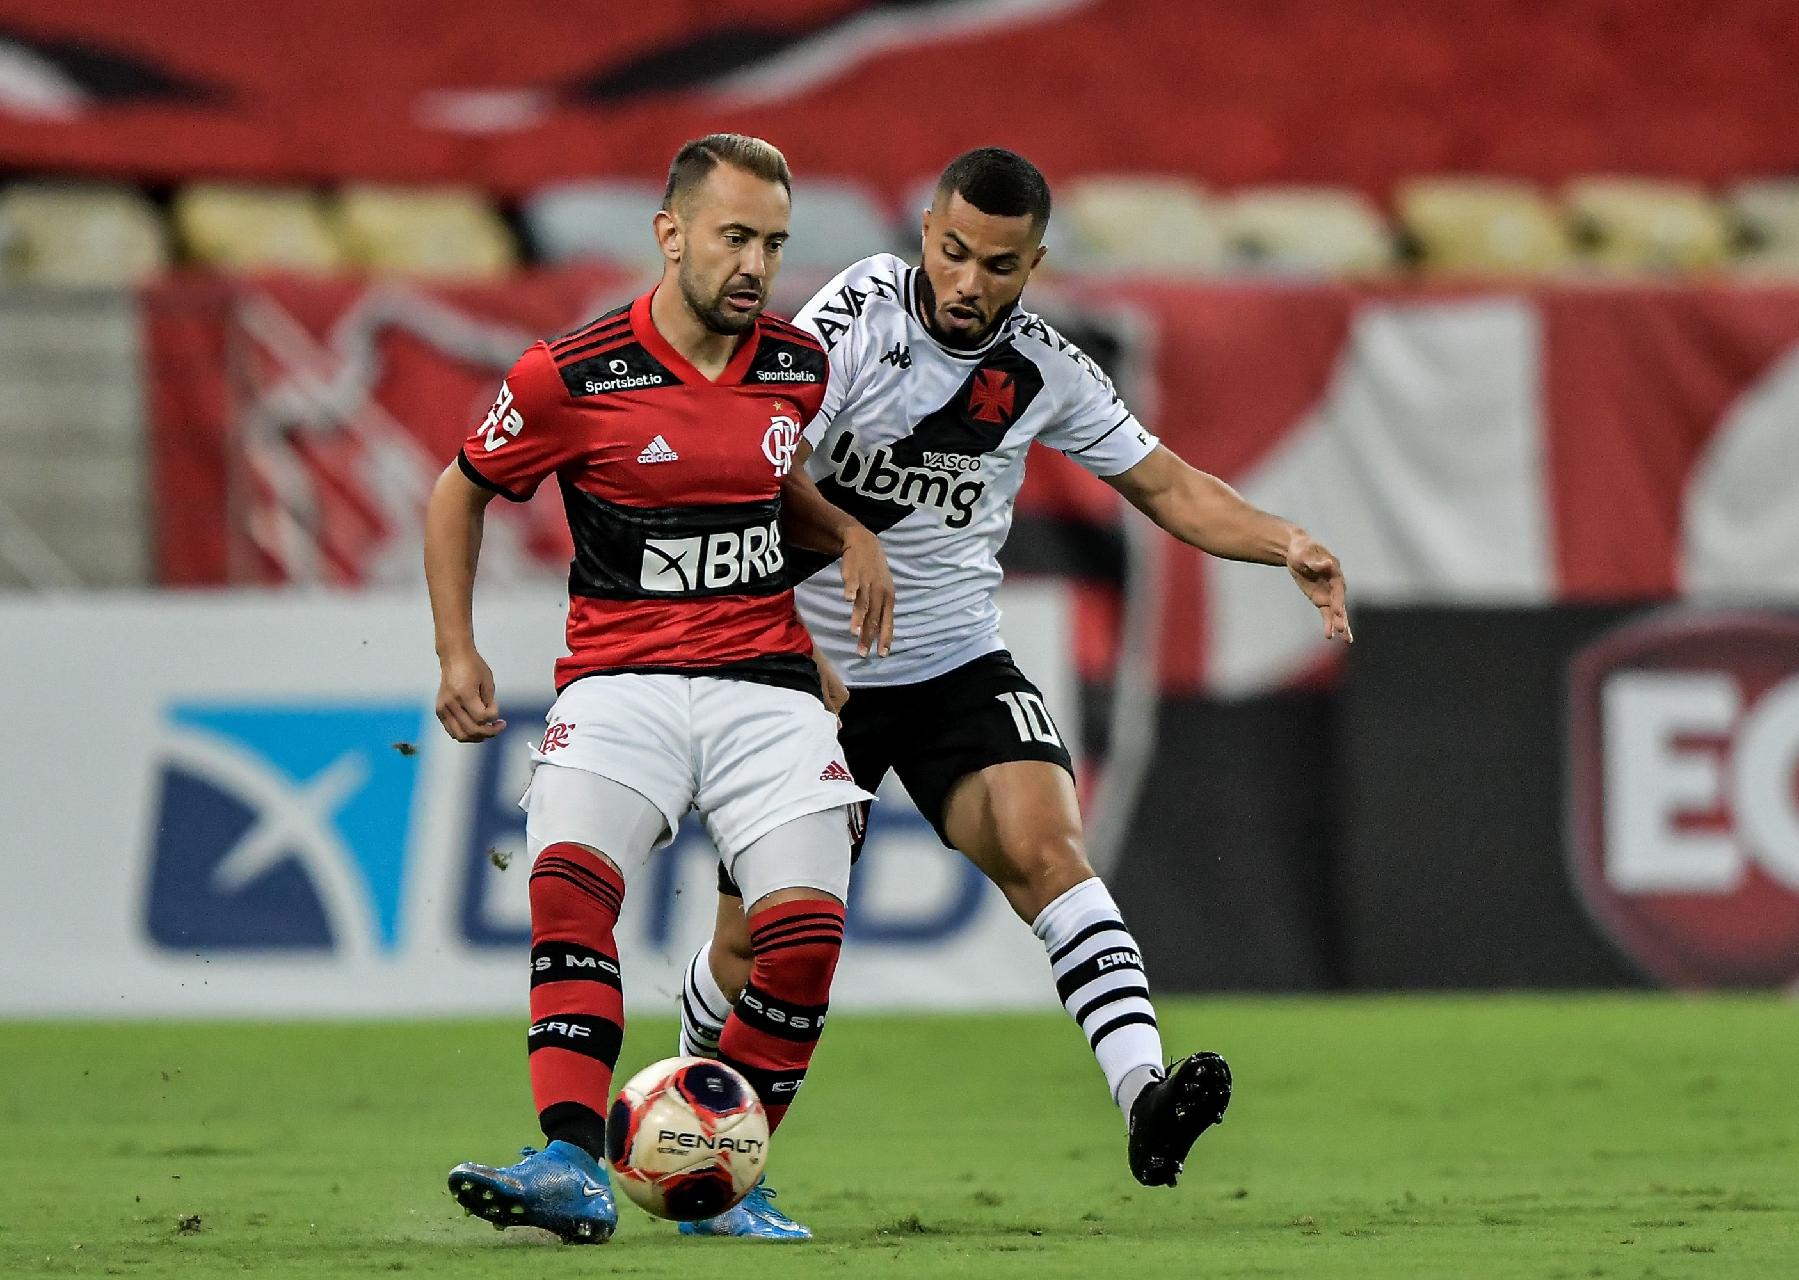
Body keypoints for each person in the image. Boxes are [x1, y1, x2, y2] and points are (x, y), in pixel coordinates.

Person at [673, 147, 1353, 1236]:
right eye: (950, 251)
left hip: (952, 662)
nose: (966, 282)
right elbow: (762, 466)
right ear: (925, 233)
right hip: (813, 671)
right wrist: (822, 574)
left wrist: (1286, 542)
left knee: (1051, 850)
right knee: (755, 947)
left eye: (996, 264)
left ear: (1033, 263)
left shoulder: (1047, 369)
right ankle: (695, 1118)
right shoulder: (855, 315)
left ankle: (1145, 1094)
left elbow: (1167, 483)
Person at [424, 133, 893, 1245]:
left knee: (804, 932)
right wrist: (457, 649)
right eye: (734, 236)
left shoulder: (795, 366)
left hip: (764, 685)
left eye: (774, 243)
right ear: (669, 233)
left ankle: (732, 1178)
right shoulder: (568, 374)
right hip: (620, 678)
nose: (755, 265)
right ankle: (569, 1162)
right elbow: (460, 489)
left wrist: (842, 531)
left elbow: (768, 485)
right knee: (571, 889)